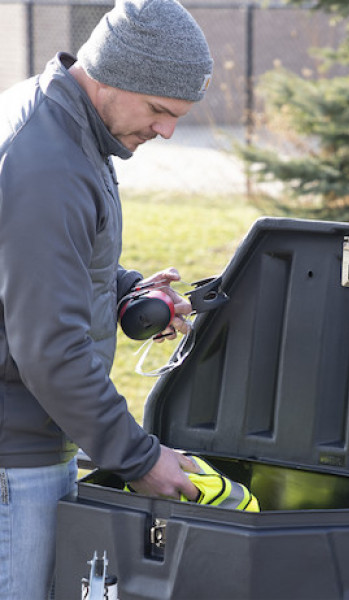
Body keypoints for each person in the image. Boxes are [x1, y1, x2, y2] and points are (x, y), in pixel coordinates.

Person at [0, 0, 213, 597]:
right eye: (159, 110)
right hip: (13, 461)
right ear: (116, 75)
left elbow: (42, 261)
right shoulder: (49, 161)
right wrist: (140, 459)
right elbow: (51, 350)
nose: (167, 130)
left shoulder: (59, 125)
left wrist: (124, 288)